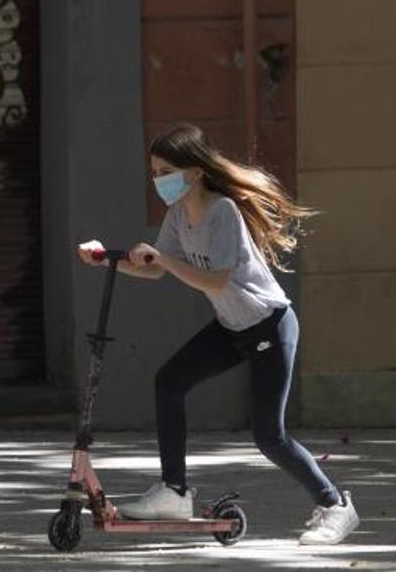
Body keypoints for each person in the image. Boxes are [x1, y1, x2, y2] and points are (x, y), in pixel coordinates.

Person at [76, 123, 360, 546]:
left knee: (269, 435)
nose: (158, 181)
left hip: (269, 325)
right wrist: (106, 260)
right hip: (231, 327)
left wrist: (164, 261)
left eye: (165, 171)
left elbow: (217, 280)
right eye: (153, 172)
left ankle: (336, 506)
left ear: (193, 173)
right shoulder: (178, 215)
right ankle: (174, 491)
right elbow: (155, 268)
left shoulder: (222, 211)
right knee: (169, 381)